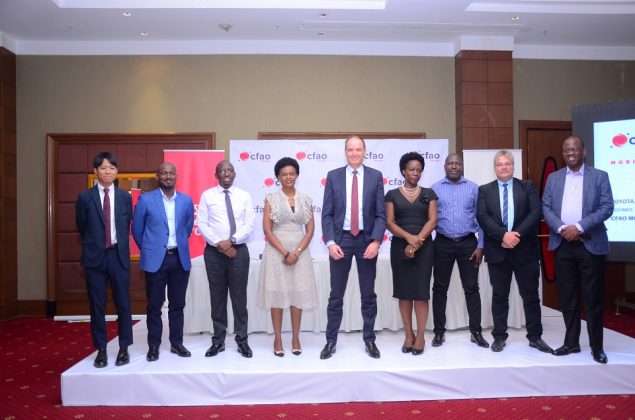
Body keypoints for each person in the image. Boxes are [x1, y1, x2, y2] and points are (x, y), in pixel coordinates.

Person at [542, 136, 614, 364]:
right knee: (568, 298)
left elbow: (607, 207)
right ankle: (571, 343)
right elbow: (546, 207)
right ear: (563, 153)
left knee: (593, 299)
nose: (570, 153)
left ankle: (596, 347)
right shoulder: (554, 178)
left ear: (584, 152)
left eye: (574, 149)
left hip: (589, 245)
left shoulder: (600, 176)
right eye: (566, 150)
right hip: (563, 244)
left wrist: (579, 227)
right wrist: (562, 228)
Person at [476, 150, 553, 354]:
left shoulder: (527, 186)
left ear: (513, 166)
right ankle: (499, 336)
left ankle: (535, 337)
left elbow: (535, 213)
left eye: (507, 164)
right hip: (497, 250)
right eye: (499, 164)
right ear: (495, 168)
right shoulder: (485, 190)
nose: (503, 167)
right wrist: (503, 236)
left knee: (530, 296)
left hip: (525, 250)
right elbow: (482, 217)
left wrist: (515, 235)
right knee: (499, 296)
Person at [320, 135, 387, 360]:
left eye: (358, 149)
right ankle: (331, 341)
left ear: (365, 151)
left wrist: (376, 241)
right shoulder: (333, 176)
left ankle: (369, 340)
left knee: (368, 295)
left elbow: (381, 214)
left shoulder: (376, 176)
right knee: (336, 296)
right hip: (341, 241)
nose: (354, 153)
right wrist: (330, 242)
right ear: (345, 152)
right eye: (350, 149)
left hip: (367, 241)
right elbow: (327, 213)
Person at [131, 162, 195, 362]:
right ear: (157, 176)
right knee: (154, 305)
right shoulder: (146, 199)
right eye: (164, 173)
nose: (168, 176)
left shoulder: (186, 200)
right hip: (155, 260)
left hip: (179, 259)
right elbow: (137, 229)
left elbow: (188, 227)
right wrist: (150, 249)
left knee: (178, 304)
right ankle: (153, 345)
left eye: (171, 173)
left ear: (176, 176)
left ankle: (176, 343)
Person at [75, 152, 133, 368]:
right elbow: (82, 226)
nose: (107, 171)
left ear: (117, 171)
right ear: (95, 171)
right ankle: (101, 348)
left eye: (111, 168)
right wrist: (96, 243)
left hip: (118, 256)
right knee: (97, 305)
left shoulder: (125, 197)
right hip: (95, 258)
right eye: (103, 168)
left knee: (123, 304)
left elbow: (127, 224)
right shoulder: (85, 197)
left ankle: (124, 347)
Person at [257, 157, 318, 357]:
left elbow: (310, 229)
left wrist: (297, 252)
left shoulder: (306, 199)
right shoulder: (271, 198)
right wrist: (285, 252)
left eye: (292, 173)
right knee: (277, 294)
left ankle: (295, 338)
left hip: (300, 252)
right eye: (284, 174)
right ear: (278, 177)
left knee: (297, 294)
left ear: (297, 175)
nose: (288, 177)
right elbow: (267, 229)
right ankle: (277, 338)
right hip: (277, 252)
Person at [198, 160, 255, 358]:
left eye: (229, 170)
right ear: (216, 175)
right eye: (222, 171)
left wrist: (231, 241)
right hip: (214, 252)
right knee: (217, 298)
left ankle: (242, 341)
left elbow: (249, 224)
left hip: (238, 251)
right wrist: (220, 244)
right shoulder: (207, 195)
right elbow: (202, 224)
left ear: (234, 173)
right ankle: (218, 341)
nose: (226, 173)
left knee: (239, 298)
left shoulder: (244, 196)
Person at [430, 153, 489, 349]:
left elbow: (481, 219)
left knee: (471, 288)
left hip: (468, 244)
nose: (454, 166)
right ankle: (439, 332)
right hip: (442, 243)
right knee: (440, 288)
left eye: (457, 163)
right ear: (445, 166)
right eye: (451, 163)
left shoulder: (473, 188)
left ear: (462, 166)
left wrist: (480, 245)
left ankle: (476, 332)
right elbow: (429, 219)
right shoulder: (435, 188)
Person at [385, 152, 437, 355]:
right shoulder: (392, 194)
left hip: (424, 248)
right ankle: (408, 335)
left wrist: (417, 242)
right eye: (412, 169)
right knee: (404, 294)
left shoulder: (429, 193)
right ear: (403, 171)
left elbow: (432, 220)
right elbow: (389, 223)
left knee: (421, 294)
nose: (416, 173)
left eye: (419, 170)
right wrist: (409, 238)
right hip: (400, 247)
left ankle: (421, 336)